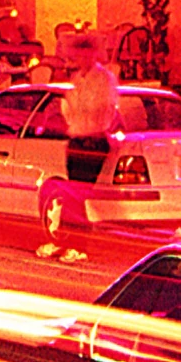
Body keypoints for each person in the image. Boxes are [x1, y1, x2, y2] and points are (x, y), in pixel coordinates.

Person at [45, 33, 121, 262]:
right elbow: (68, 108)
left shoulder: (104, 79)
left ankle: (79, 245)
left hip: (92, 139)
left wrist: (89, 122)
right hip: (77, 138)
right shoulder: (77, 79)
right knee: (72, 193)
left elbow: (103, 108)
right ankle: (69, 241)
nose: (79, 58)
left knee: (79, 194)